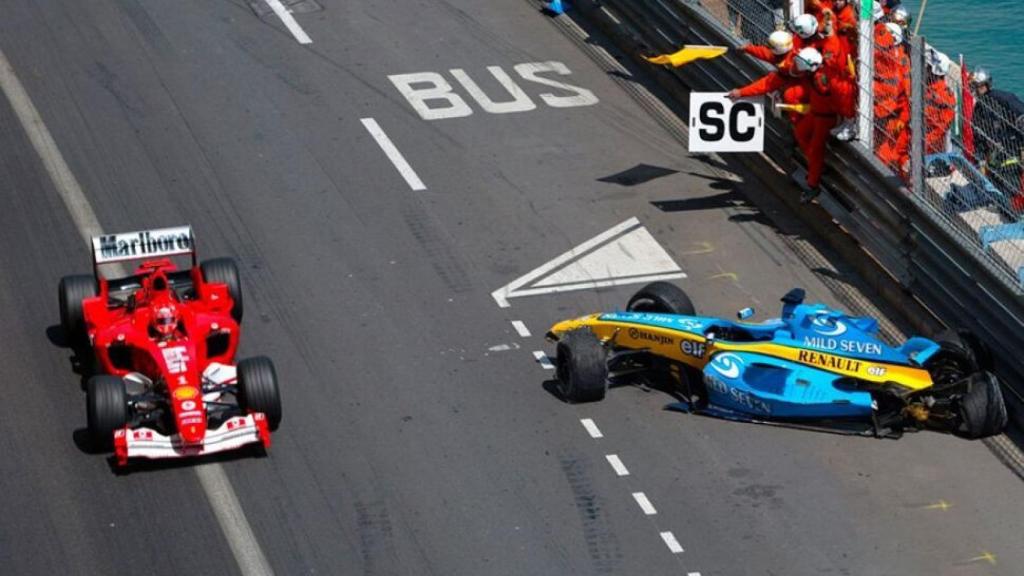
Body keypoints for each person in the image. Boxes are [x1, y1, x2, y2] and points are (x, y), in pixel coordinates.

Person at [970, 68, 1024, 211]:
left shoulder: (1004, 99)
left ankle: (1010, 209)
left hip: (1013, 155)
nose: (975, 90)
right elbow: (978, 136)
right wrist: (980, 159)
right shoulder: (979, 109)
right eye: (974, 87)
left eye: (977, 86)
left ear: (985, 85)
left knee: (1011, 189)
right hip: (995, 160)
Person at [924, 50, 955, 155]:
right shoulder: (926, 87)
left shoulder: (946, 97)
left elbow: (940, 130)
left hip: (931, 148)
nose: (925, 69)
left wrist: (921, 141)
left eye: (928, 67)